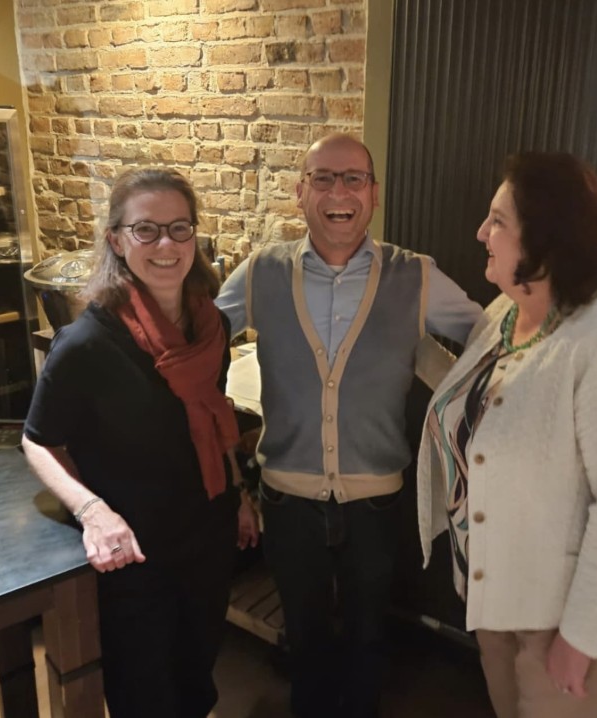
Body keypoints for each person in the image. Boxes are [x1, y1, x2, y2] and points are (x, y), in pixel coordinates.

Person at [215, 132, 483, 718]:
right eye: (323, 178)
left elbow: (486, 340)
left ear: (374, 193)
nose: (339, 192)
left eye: (353, 178)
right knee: (304, 640)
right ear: (300, 192)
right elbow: (198, 349)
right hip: (286, 499)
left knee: (368, 639)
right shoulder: (260, 274)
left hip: (377, 503)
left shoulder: (415, 276)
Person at [417, 151, 597, 718]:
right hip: (499, 595)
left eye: (497, 221)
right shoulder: (506, 315)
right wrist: (407, 349)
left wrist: (580, 639)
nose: (481, 233)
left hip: (570, 617)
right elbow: (492, 406)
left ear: (547, 239)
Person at [22, 167, 259, 718]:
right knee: (145, 693)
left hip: (207, 530)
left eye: (179, 228)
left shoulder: (212, 327)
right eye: (145, 230)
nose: (165, 245)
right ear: (116, 240)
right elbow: (38, 441)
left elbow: (215, 416)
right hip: (135, 550)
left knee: (197, 675)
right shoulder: (86, 343)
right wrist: (92, 511)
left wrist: (239, 494)